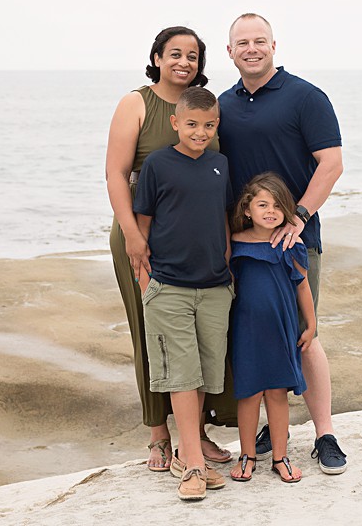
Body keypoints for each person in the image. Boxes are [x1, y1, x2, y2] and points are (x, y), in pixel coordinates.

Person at [218, 12, 348, 475]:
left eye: (260, 40)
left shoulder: (305, 97)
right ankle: (270, 436)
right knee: (252, 335)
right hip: (243, 249)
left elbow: (330, 163)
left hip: (293, 241)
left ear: (275, 46)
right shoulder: (222, 106)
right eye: (242, 42)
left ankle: (325, 434)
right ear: (229, 51)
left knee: (303, 335)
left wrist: (300, 215)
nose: (251, 48)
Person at [104, 26, 234, 475]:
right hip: (139, 232)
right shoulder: (136, 103)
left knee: (195, 340)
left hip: (196, 239)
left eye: (193, 56)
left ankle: (193, 435)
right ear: (157, 57)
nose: (184, 62)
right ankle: (159, 435)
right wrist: (133, 236)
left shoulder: (205, 108)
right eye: (174, 53)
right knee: (151, 332)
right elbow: (116, 174)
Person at [132, 86, 233, 500]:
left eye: (209, 125)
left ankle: (189, 450)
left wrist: (227, 268)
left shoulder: (221, 165)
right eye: (192, 124)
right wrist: (147, 284)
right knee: (181, 374)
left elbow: (223, 220)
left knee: (207, 373)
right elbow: (142, 224)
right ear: (175, 123)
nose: (200, 132)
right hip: (169, 286)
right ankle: (192, 464)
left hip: (214, 287)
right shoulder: (157, 164)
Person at [227, 172, 317, 484]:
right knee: (249, 393)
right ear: (246, 209)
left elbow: (302, 287)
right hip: (245, 330)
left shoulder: (290, 242)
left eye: (278, 205)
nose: (270, 211)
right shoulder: (235, 243)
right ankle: (247, 454)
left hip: (281, 327)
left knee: (277, 393)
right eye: (262, 204)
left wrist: (311, 324)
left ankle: (280, 456)